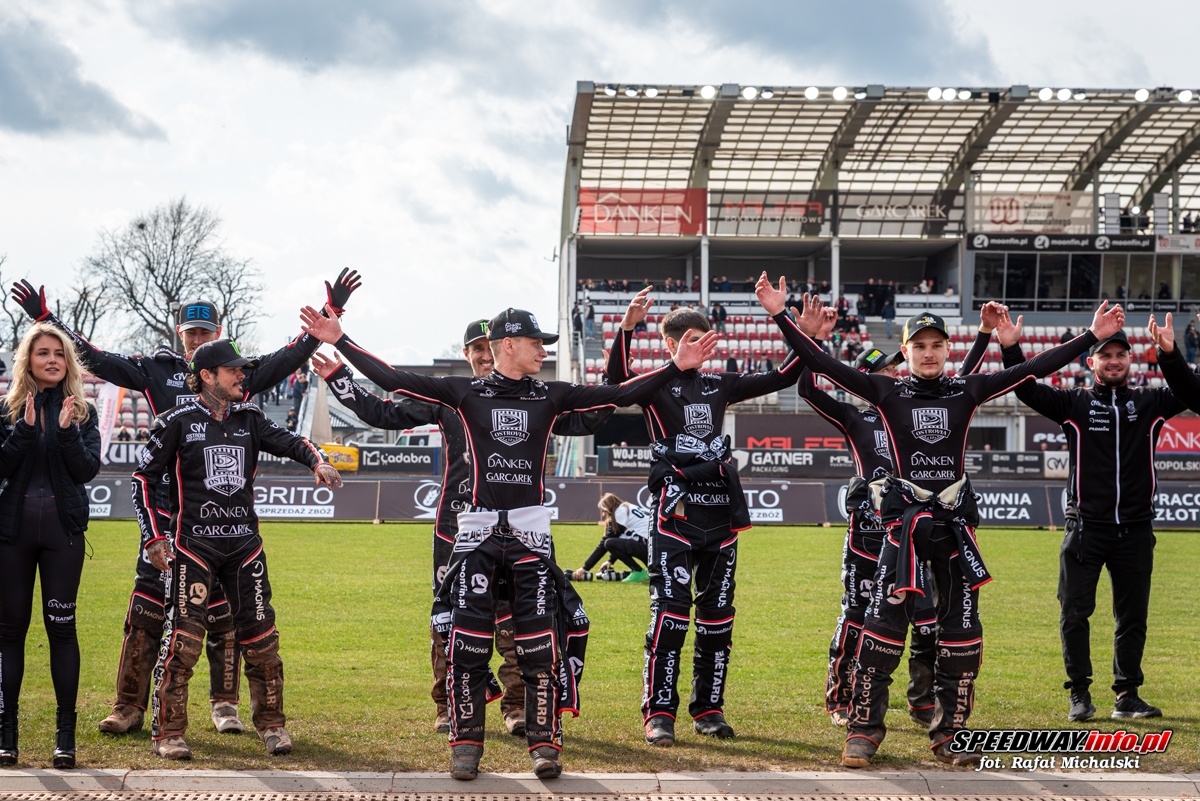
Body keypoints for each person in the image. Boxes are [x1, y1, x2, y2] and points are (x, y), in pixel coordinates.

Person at [299, 302, 716, 780]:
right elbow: (391, 380)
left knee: (539, 648)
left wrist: (674, 367)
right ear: (510, 345)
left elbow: (619, 393)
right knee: (468, 647)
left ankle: (544, 745)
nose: (544, 351)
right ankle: (465, 746)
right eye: (537, 343)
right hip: (476, 533)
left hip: (530, 535)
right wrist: (340, 339)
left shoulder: (551, 395)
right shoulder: (463, 393)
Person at [758, 277, 1123, 768]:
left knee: (961, 636)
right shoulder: (883, 391)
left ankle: (951, 733)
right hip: (903, 534)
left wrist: (1092, 337)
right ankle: (863, 733)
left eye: (936, 345)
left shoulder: (967, 390)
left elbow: (1036, 367)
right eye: (919, 346)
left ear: (948, 349)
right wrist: (782, 317)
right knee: (881, 629)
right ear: (906, 351)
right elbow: (820, 365)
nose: (928, 353)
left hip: (954, 531)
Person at [11, 270, 360, 737]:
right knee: (147, 609)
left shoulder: (235, 374)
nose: (198, 340)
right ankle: (128, 705)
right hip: (164, 510)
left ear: (219, 333)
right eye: (191, 332)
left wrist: (330, 315)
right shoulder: (155, 370)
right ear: (180, 333)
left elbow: (288, 357)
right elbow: (96, 358)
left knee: (224, 614)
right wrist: (45, 319)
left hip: (219, 516)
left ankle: (225, 705)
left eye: (206, 332)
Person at [312, 319, 612, 737]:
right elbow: (380, 412)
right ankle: (447, 704)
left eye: (489, 347)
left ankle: (517, 706)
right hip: (455, 527)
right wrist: (339, 377)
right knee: (449, 620)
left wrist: (612, 379)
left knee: (517, 616)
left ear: (504, 348)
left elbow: (586, 420)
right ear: (467, 354)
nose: (485, 356)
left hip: (517, 527)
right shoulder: (451, 398)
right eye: (477, 349)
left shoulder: (532, 398)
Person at [606, 286, 799, 747]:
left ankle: (709, 709)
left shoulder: (721, 383)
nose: (701, 348)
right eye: (691, 341)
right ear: (671, 344)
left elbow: (787, 374)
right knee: (669, 618)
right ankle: (659, 714)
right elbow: (616, 383)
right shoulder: (656, 383)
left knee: (717, 620)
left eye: (706, 339)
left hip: (720, 516)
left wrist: (787, 320)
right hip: (674, 517)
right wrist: (627, 328)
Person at [134, 339, 342, 759]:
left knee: (263, 638)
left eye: (242, 369)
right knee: (184, 642)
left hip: (245, 547)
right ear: (207, 376)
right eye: (233, 370)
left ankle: (273, 725)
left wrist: (318, 461)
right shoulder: (174, 421)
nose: (241, 376)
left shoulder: (250, 418)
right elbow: (143, 480)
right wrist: (154, 537)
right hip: (193, 547)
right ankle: (169, 733)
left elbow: (293, 442)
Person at [796, 303, 994, 729]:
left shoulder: (919, 403)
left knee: (926, 618)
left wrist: (982, 335)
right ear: (865, 378)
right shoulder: (855, 417)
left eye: (893, 366)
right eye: (884, 369)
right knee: (858, 615)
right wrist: (811, 340)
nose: (893, 373)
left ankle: (922, 701)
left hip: (916, 530)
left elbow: (962, 383)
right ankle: (842, 695)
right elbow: (808, 389)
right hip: (868, 534)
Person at [999, 309, 1186, 723]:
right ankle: (1080, 694)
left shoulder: (1152, 402)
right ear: (1091, 362)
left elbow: (1192, 390)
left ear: (1131, 360)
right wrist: (1011, 348)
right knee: (1074, 613)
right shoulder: (1074, 403)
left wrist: (1170, 354)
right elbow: (1024, 387)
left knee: (1132, 617)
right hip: (1085, 528)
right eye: (1106, 355)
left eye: (1121, 354)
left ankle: (1127, 695)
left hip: (1136, 530)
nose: (1114, 361)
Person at [0, 324, 101, 768]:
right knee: (9, 633)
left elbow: (86, 471)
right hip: (12, 536)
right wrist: (23, 431)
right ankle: (6, 735)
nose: (53, 360)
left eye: (59, 353)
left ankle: (65, 739)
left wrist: (66, 432)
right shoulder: (6, 411)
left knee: (62, 630)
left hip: (64, 537)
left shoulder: (83, 412)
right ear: (29, 360)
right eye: (43, 353)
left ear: (68, 362)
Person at [573, 493, 650, 583]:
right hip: (653, 547)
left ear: (608, 508)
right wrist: (610, 560)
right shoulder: (627, 507)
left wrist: (585, 568)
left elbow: (604, 544)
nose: (603, 514)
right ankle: (644, 571)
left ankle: (638, 571)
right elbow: (622, 539)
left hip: (647, 546)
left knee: (608, 543)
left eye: (603, 511)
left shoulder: (619, 514)